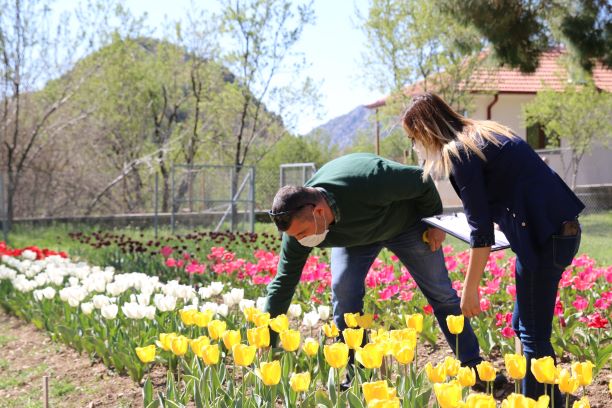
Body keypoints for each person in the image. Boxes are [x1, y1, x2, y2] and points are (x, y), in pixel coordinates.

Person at [401, 93, 584, 405]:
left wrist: (470, 289)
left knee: (533, 335)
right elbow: (513, 190)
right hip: (552, 233)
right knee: (522, 326)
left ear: (426, 130)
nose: (415, 145)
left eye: (413, 137)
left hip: (546, 238)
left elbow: (480, 229)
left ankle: (540, 402)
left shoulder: (460, 151)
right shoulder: (487, 132)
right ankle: (552, 399)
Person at [265, 152, 495, 389]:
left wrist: (435, 222)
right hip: (354, 241)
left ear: (319, 212)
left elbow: (421, 180)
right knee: (344, 293)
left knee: (441, 292)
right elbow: (283, 283)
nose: (300, 240)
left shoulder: (369, 181)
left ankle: (472, 365)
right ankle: (358, 374)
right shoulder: (297, 230)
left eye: (303, 233)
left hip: (405, 225)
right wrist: (265, 343)